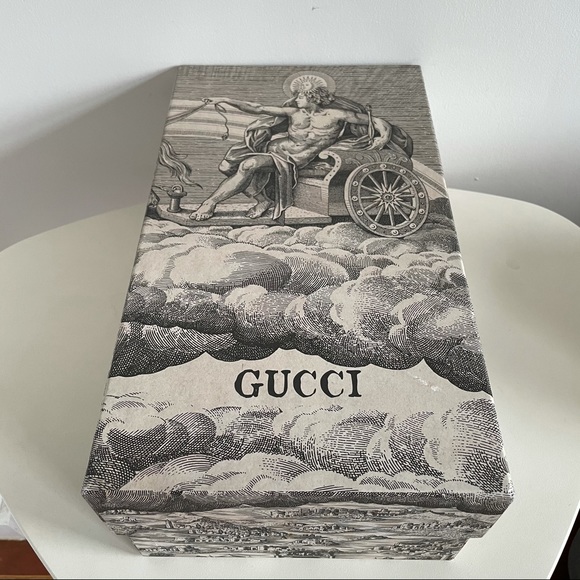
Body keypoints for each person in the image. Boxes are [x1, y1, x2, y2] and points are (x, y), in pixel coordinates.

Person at [190, 87, 413, 221]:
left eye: (300, 96)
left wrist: (383, 137)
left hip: (293, 159)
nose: (296, 99)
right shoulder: (293, 112)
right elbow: (257, 108)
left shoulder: (336, 115)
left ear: (313, 98)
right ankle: (262, 200)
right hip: (275, 150)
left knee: (248, 166)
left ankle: (210, 203)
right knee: (226, 166)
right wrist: (225, 100)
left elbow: (376, 121)